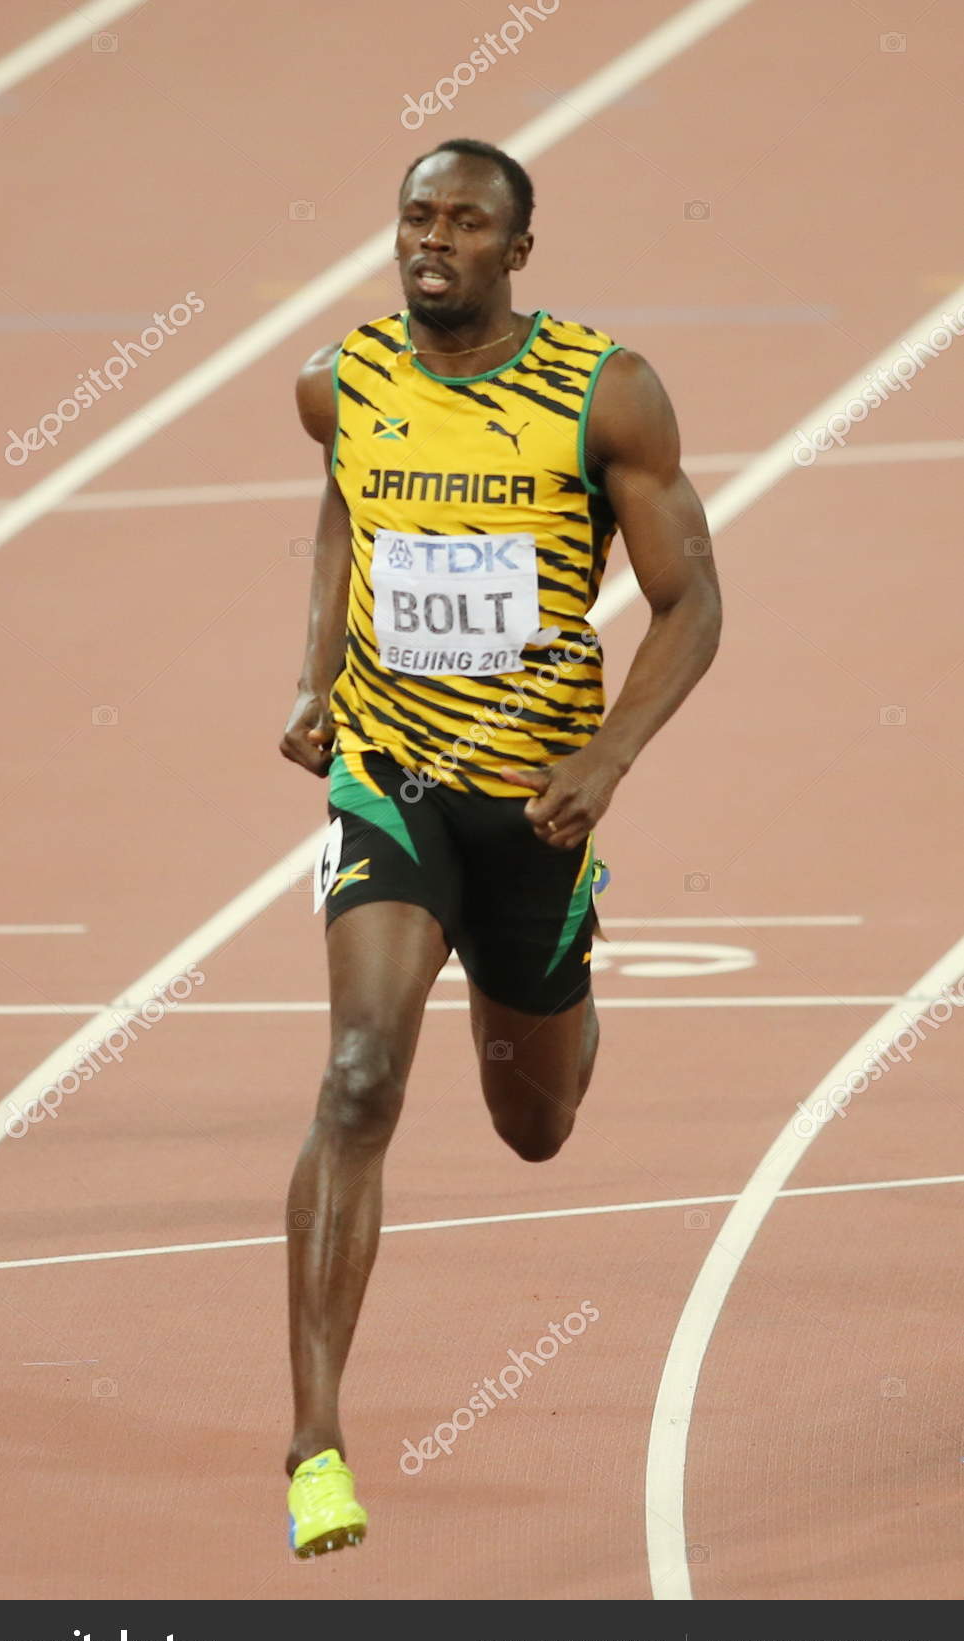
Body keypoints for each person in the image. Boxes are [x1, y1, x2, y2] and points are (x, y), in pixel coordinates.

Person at [279, 137, 721, 1558]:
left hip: (534, 805)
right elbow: (346, 511)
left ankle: (561, 961)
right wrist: (312, 679)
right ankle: (314, 1445)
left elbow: (692, 597)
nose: (435, 240)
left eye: (467, 223)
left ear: (517, 251)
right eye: (417, 215)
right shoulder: (338, 382)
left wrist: (604, 759)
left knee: (534, 1127)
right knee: (356, 1079)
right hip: (390, 780)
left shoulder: (604, 392)